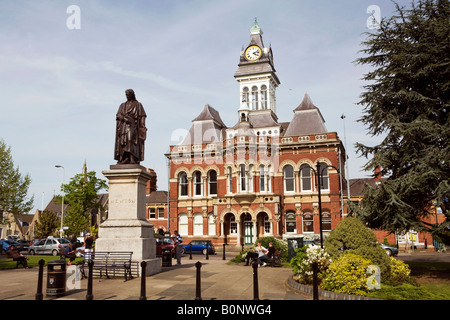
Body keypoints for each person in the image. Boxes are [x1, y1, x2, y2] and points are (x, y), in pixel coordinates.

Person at [114, 89, 147, 165]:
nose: (127, 96)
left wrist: (142, 125)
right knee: (123, 141)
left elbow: (142, 116)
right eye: (126, 95)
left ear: (132, 95)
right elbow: (118, 115)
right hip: (124, 126)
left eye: (128, 95)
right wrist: (123, 118)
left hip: (133, 125)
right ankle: (124, 158)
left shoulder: (138, 104)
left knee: (130, 140)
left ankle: (132, 158)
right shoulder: (122, 105)